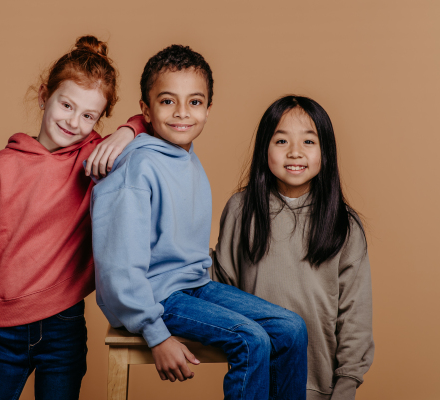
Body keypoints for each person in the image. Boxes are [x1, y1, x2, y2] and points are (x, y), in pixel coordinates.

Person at [90, 44, 308, 400]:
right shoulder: (137, 169)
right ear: (145, 109)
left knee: (292, 328)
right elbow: (118, 268)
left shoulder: (184, 155)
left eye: (194, 102)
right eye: (167, 101)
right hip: (156, 296)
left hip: (194, 284)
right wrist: (155, 333)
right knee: (251, 340)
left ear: (208, 108)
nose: (182, 113)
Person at [0, 35, 137, 399]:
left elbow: (154, 120)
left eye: (89, 115)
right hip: (0, 332)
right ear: (44, 95)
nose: (74, 122)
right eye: (66, 105)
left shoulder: (92, 160)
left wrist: (126, 131)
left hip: (64, 326)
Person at [210, 96, 374, 400]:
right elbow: (220, 287)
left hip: (318, 387)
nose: (295, 152)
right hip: (253, 381)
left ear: (326, 151)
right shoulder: (241, 209)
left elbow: (355, 316)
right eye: (281, 140)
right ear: (264, 149)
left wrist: (347, 384)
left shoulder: (344, 224)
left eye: (309, 141)